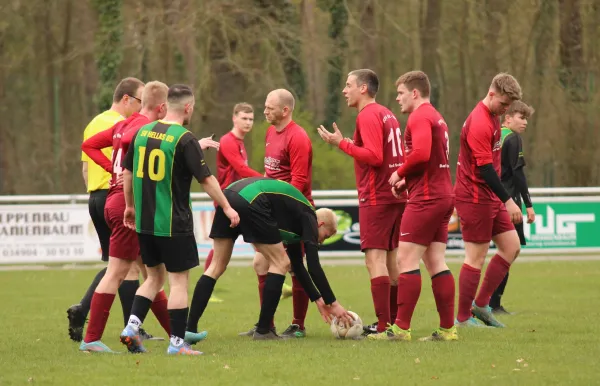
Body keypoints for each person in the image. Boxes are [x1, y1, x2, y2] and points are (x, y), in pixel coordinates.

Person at [118, 84, 240, 356]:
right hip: (173, 222)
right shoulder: (184, 138)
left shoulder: (141, 133)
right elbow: (207, 180)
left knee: (153, 278)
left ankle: (131, 328)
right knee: (178, 282)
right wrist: (228, 207)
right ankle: (176, 344)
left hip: (145, 223)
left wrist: (129, 206)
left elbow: (127, 172)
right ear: (187, 107)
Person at [186, 177, 354, 340]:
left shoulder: (296, 219)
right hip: (251, 198)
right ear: (321, 225)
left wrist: (318, 300)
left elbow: (298, 266)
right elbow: (314, 266)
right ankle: (264, 330)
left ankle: (189, 328)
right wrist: (333, 303)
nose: (321, 241)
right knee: (280, 263)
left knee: (216, 266)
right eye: (325, 236)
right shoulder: (309, 216)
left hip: (230, 194)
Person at [368, 71, 457, 341]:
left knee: (405, 260)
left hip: (427, 199)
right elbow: (431, 161)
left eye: (401, 93)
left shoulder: (419, 116)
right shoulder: (437, 117)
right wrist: (409, 183)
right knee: (435, 261)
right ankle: (447, 329)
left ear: (415, 93)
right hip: (443, 194)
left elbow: (420, 154)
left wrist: (399, 174)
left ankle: (401, 329)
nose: (397, 98)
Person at [317, 69, 406, 335]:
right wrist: (349, 142)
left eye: (348, 85)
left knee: (374, 260)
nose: (344, 90)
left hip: (377, 196)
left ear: (363, 88)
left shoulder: (367, 114)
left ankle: (382, 326)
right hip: (395, 194)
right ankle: (393, 324)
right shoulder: (387, 113)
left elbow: (375, 156)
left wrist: (341, 143)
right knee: (392, 261)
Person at [67, 77, 145, 342]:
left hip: (96, 197)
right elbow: (128, 165)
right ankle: (131, 328)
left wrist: (100, 178)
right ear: (126, 99)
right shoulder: (124, 125)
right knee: (127, 265)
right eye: (139, 101)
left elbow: (85, 164)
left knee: (116, 264)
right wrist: (118, 174)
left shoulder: (94, 123)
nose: (141, 108)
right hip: (117, 196)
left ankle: (84, 310)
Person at [239, 89, 314, 339]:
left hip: (292, 211)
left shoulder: (299, 137)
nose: (264, 111)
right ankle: (266, 324)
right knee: (260, 262)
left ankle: (298, 326)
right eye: (265, 106)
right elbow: (271, 172)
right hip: (270, 208)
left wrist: (280, 212)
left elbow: (299, 182)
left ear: (285, 110)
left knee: (294, 267)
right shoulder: (271, 132)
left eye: (270, 107)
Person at [454, 73, 523, 328]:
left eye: (508, 106)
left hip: (489, 195)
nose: (505, 110)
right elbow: (485, 169)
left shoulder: (493, 117)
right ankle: (462, 318)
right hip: (473, 196)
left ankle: (481, 306)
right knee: (475, 256)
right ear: (491, 93)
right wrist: (508, 200)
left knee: (511, 246)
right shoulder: (479, 122)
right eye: (503, 104)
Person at [200, 102, 262, 304]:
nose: (248, 122)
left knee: (260, 241)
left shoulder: (240, 142)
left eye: (251, 119)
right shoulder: (228, 141)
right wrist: (266, 181)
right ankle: (206, 288)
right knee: (221, 251)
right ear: (234, 118)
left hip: (239, 199)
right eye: (244, 118)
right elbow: (242, 171)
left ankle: (274, 279)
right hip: (228, 200)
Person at [491, 101, 536, 314]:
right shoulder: (513, 138)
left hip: (492, 199)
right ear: (507, 118)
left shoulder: (495, 135)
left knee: (501, 250)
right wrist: (528, 205)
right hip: (508, 203)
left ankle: (488, 301)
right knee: (510, 250)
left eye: (526, 118)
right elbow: (518, 174)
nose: (525, 122)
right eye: (521, 117)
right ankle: (491, 302)